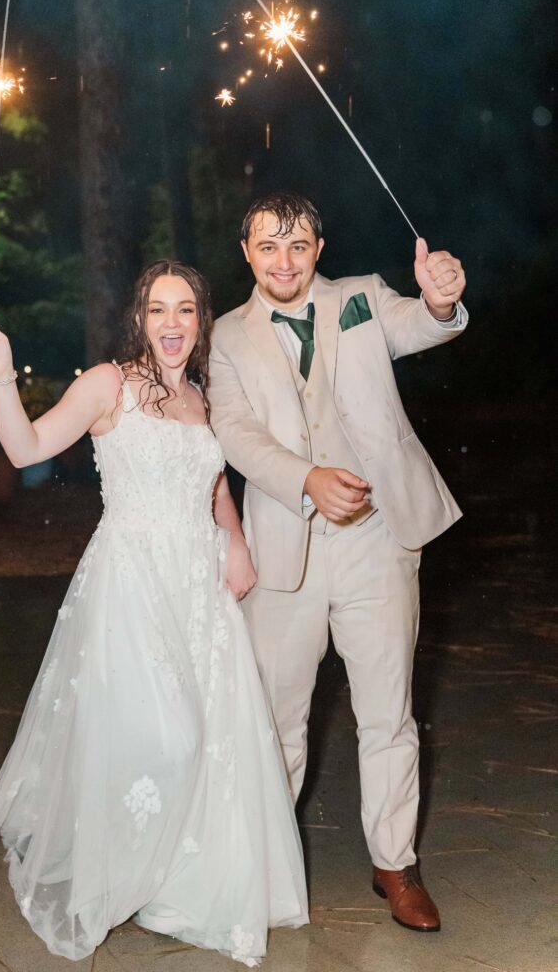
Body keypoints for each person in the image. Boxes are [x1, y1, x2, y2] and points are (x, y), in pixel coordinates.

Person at [0, 260, 308, 965]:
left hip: (198, 586)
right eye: (157, 310)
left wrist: (233, 542)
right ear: (138, 319)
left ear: (200, 321)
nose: (171, 323)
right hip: (132, 579)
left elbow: (213, 484)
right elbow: (25, 450)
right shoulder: (107, 384)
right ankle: (125, 863)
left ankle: (180, 875)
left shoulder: (203, 398)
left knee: (212, 737)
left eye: (185, 310)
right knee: (164, 736)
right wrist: (0, 377)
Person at [209, 192, 468, 934]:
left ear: (317, 248)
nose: (282, 261)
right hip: (285, 548)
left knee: (388, 714)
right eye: (266, 246)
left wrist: (441, 300)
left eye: (296, 245)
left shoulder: (360, 299)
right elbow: (233, 433)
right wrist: (303, 479)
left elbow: (422, 325)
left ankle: (395, 864)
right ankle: (259, 863)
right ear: (246, 254)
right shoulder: (225, 337)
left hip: (378, 542)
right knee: (276, 720)